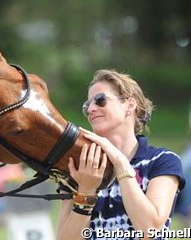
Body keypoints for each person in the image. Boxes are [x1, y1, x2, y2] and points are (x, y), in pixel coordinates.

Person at [56, 69, 185, 240]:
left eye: (100, 100)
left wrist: (120, 163)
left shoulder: (163, 161)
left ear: (130, 105)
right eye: (87, 106)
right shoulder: (80, 167)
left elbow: (151, 231)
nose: (91, 109)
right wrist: (86, 191)